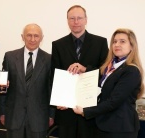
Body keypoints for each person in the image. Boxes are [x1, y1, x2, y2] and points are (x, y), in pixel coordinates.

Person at [71, 28, 144, 138]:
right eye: (114, 41)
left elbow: (114, 101)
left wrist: (86, 111)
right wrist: (84, 70)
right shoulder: (111, 66)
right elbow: (101, 79)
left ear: (132, 46)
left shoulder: (131, 71)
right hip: (104, 124)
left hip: (120, 128)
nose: (117, 44)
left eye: (122, 41)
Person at [51, 5, 109, 138]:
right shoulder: (58, 45)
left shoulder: (100, 42)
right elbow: (54, 75)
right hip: (66, 112)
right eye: (72, 18)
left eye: (79, 18)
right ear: (67, 21)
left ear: (86, 20)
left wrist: (86, 69)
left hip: (90, 112)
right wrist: (59, 99)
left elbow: (105, 74)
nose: (76, 22)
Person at [0, 23, 52, 138]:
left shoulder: (49, 59)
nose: (32, 39)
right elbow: (3, 86)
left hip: (39, 118)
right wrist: (2, 112)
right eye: (29, 35)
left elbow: (51, 89)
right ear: (22, 37)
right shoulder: (10, 57)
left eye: (36, 36)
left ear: (42, 38)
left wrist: (51, 115)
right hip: (14, 116)